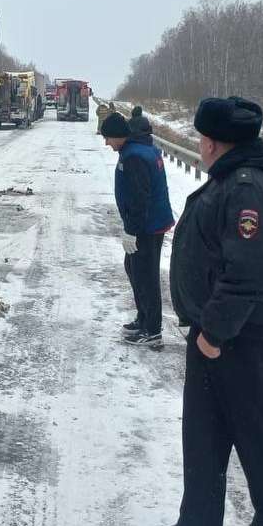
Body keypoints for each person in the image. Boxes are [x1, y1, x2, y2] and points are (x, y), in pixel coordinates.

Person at [152, 96, 263, 526]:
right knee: (204, 428)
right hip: (217, 331)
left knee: (250, 425)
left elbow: (248, 274)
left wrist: (215, 333)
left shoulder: (248, 189)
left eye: (202, 137)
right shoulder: (233, 180)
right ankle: (198, 520)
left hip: (242, 336)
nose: (199, 145)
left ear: (216, 143)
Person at [100, 109, 174, 348]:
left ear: (118, 135)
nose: (106, 143)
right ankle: (144, 319)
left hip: (147, 226)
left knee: (145, 276)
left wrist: (132, 230)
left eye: (108, 138)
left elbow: (139, 198)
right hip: (150, 223)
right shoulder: (141, 149)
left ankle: (152, 330)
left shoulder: (133, 156)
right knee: (134, 268)